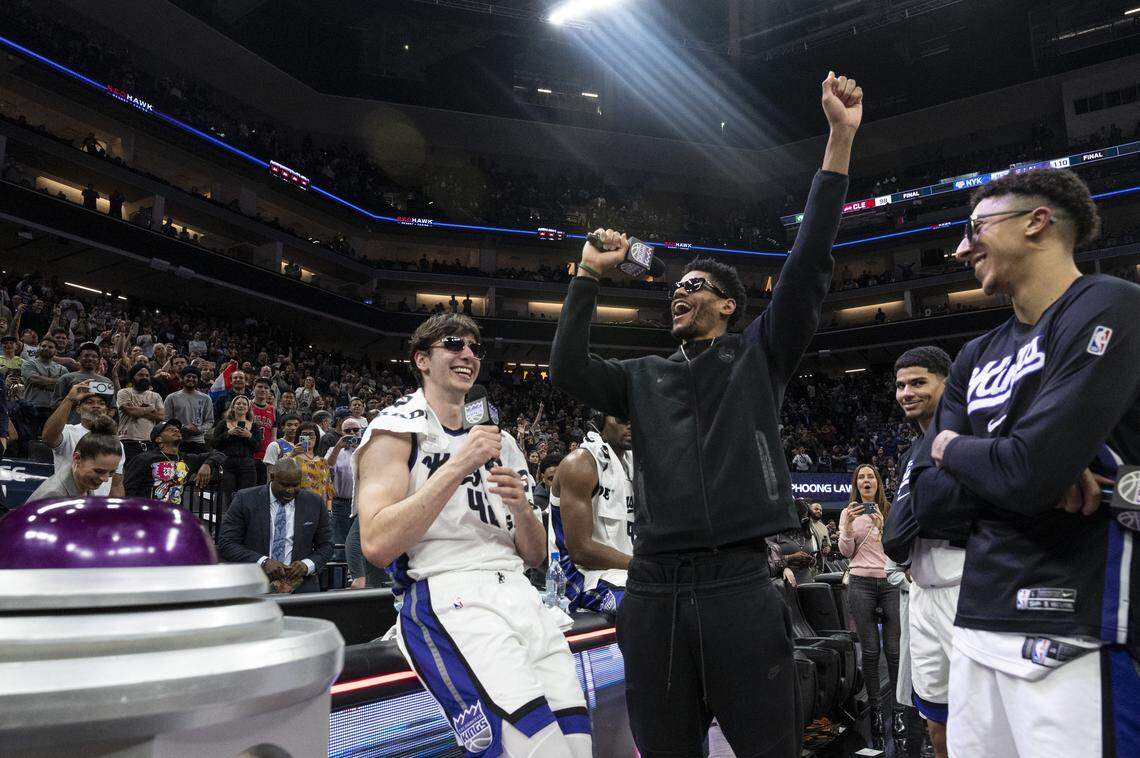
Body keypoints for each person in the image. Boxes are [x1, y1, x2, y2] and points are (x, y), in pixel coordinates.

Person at [548, 71, 862, 756]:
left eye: (696, 287)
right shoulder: (642, 377)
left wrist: (838, 140)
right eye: (676, 288)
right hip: (653, 590)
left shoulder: (759, 357)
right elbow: (568, 370)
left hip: (739, 587)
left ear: (728, 305)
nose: (678, 296)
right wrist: (587, 277)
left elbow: (808, 264)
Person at [909, 169, 1140, 757]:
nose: (962, 248)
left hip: (1075, 624)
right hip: (977, 623)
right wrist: (1020, 467)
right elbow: (927, 501)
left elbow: (1026, 471)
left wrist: (956, 450)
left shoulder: (1110, 303)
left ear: (1036, 221)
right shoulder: (974, 354)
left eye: (976, 227)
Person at [356, 313, 590, 757]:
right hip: (450, 594)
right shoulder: (396, 429)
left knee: (578, 748)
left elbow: (536, 555)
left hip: (522, 596)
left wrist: (522, 507)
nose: (468, 354)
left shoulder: (500, 443)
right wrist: (459, 465)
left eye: (474, 348)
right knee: (541, 752)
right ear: (421, 359)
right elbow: (377, 544)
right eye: (453, 344)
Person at [881, 345, 959, 758]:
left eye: (917, 382)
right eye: (900, 385)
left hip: (964, 585)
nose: (906, 392)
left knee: (977, 715)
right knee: (934, 719)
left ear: (946, 383)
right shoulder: (913, 452)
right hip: (922, 592)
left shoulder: (972, 431)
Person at [839, 463, 899, 748]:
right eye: (861, 477)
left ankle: (898, 710)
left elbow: (898, 547)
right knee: (872, 651)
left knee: (895, 651)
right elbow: (846, 552)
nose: (866, 480)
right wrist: (848, 527)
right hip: (861, 583)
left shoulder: (889, 510)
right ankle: (875, 709)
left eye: (870, 476)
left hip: (889, 584)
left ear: (877, 482)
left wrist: (882, 527)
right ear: (857, 483)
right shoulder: (846, 513)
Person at [550, 410, 633, 613]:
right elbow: (580, 551)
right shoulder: (580, 464)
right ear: (599, 421)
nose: (631, 424)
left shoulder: (634, 463)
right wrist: (643, 566)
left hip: (625, 568)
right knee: (645, 604)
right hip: (579, 575)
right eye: (622, 418)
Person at [217, 458, 333, 594]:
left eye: (295, 485)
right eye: (284, 485)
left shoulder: (314, 503)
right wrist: (263, 562)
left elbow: (327, 546)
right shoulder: (245, 499)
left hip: (301, 590)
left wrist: (307, 565)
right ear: (271, 477)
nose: (290, 490)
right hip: (253, 586)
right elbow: (227, 543)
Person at [43, 380, 125, 497]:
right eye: (89, 402)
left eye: (101, 403)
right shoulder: (68, 432)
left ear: (106, 411)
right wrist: (70, 399)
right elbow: (48, 438)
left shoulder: (116, 443)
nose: (96, 405)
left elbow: (116, 484)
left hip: (98, 508)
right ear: (78, 409)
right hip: (67, 501)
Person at [123, 419, 224, 505]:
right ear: (158, 439)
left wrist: (207, 464)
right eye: (170, 430)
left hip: (174, 516)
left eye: (177, 429)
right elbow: (129, 488)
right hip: (148, 514)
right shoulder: (144, 459)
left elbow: (220, 454)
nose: (176, 430)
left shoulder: (187, 459)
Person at [27, 416, 122, 502]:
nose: (105, 479)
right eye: (99, 471)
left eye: (111, 473)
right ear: (77, 458)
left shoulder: (84, 483)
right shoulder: (53, 498)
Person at [212, 395, 262, 500]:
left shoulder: (254, 426)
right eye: (238, 403)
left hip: (247, 466)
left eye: (244, 404)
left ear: (248, 408)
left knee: (246, 498)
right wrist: (228, 433)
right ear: (233, 407)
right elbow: (214, 444)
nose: (241, 406)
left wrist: (249, 436)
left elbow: (258, 448)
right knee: (229, 497)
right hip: (227, 465)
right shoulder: (223, 424)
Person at [326, 416, 364, 556]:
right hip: (340, 503)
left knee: (359, 546)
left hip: (362, 504)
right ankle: (339, 578)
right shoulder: (333, 450)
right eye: (348, 430)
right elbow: (327, 468)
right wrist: (338, 447)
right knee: (340, 545)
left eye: (355, 430)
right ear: (342, 433)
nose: (352, 433)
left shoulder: (367, 450)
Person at [116, 363, 164, 461]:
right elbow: (132, 412)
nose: (144, 378)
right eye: (140, 375)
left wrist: (139, 410)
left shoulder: (156, 396)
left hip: (149, 442)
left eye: (147, 375)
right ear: (132, 377)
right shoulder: (124, 392)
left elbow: (161, 416)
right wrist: (150, 408)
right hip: (127, 441)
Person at [20, 336, 66, 438]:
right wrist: (57, 382)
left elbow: (65, 387)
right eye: (43, 346)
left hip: (53, 410)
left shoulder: (62, 369)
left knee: (50, 439)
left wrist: (44, 381)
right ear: (38, 347)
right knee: (29, 440)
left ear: (56, 351)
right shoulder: (28, 364)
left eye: (50, 347)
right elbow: (35, 380)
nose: (46, 348)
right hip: (31, 408)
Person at [767, 497, 818, 587]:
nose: (803, 521)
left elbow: (813, 558)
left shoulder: (806, 533)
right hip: (784, 582)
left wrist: (811, 560)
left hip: (807, 581)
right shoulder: (775, 533)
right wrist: (790, 557)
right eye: (801, 518)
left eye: (806, 519)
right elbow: (768, 560)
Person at [54, 342, 115, 416]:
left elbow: (112, 407)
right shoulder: (66, 378)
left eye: (94, 356)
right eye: (86, 355)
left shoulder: (107, 382)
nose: (90, 358)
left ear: (98, 360)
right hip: (73, 425)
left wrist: (107, 419)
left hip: (98, 426)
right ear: (79, 358)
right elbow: (55, 405)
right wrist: (74, 400)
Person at [163, 366, 213, 454]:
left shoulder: (206, 398)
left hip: (198, 442)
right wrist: (182, 428)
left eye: (194, 377)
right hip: (176, 441)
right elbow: (166, 420)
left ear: (198, 379)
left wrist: (198, 429)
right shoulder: (171, 398)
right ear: (182, 378)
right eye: (188, 376)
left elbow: (210, 421)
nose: (191, 379)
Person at [290, 421, 333, 509]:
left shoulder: (323, 461)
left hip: (321, 508)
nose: (308, 437)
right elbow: (278, 472)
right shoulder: (293, 459)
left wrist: (329, 510)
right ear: (299, 437)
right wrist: (292, 454)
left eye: (311, 434)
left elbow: (328, 488)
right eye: (304, 434)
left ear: (317, 437)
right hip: (299, 507)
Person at [250, 377, 277, 485]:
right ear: (254, 388)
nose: (263, 390)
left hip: (264, 458)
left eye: (266, 388)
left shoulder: (273, 410)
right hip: (249, 455)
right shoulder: (246, 405)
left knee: (261, 489)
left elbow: (273, 437)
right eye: (260, 386)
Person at [262, 412, 301, 478]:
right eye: (289, 425)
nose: (293, 428)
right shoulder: (274, 445)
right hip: (282, 484)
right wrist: (291, 455)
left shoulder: (305, 446)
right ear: (283, 427)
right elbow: (270, 472)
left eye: (296, 425)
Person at [806, 501, 832, 572]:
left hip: (821, 562)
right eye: (816, 509)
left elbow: (828, 544)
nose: (819, 511)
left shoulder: (823, 526)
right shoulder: (805, 524)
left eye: (820, 510)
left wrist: (828, 548)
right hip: (807, 563)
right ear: (810, 510)